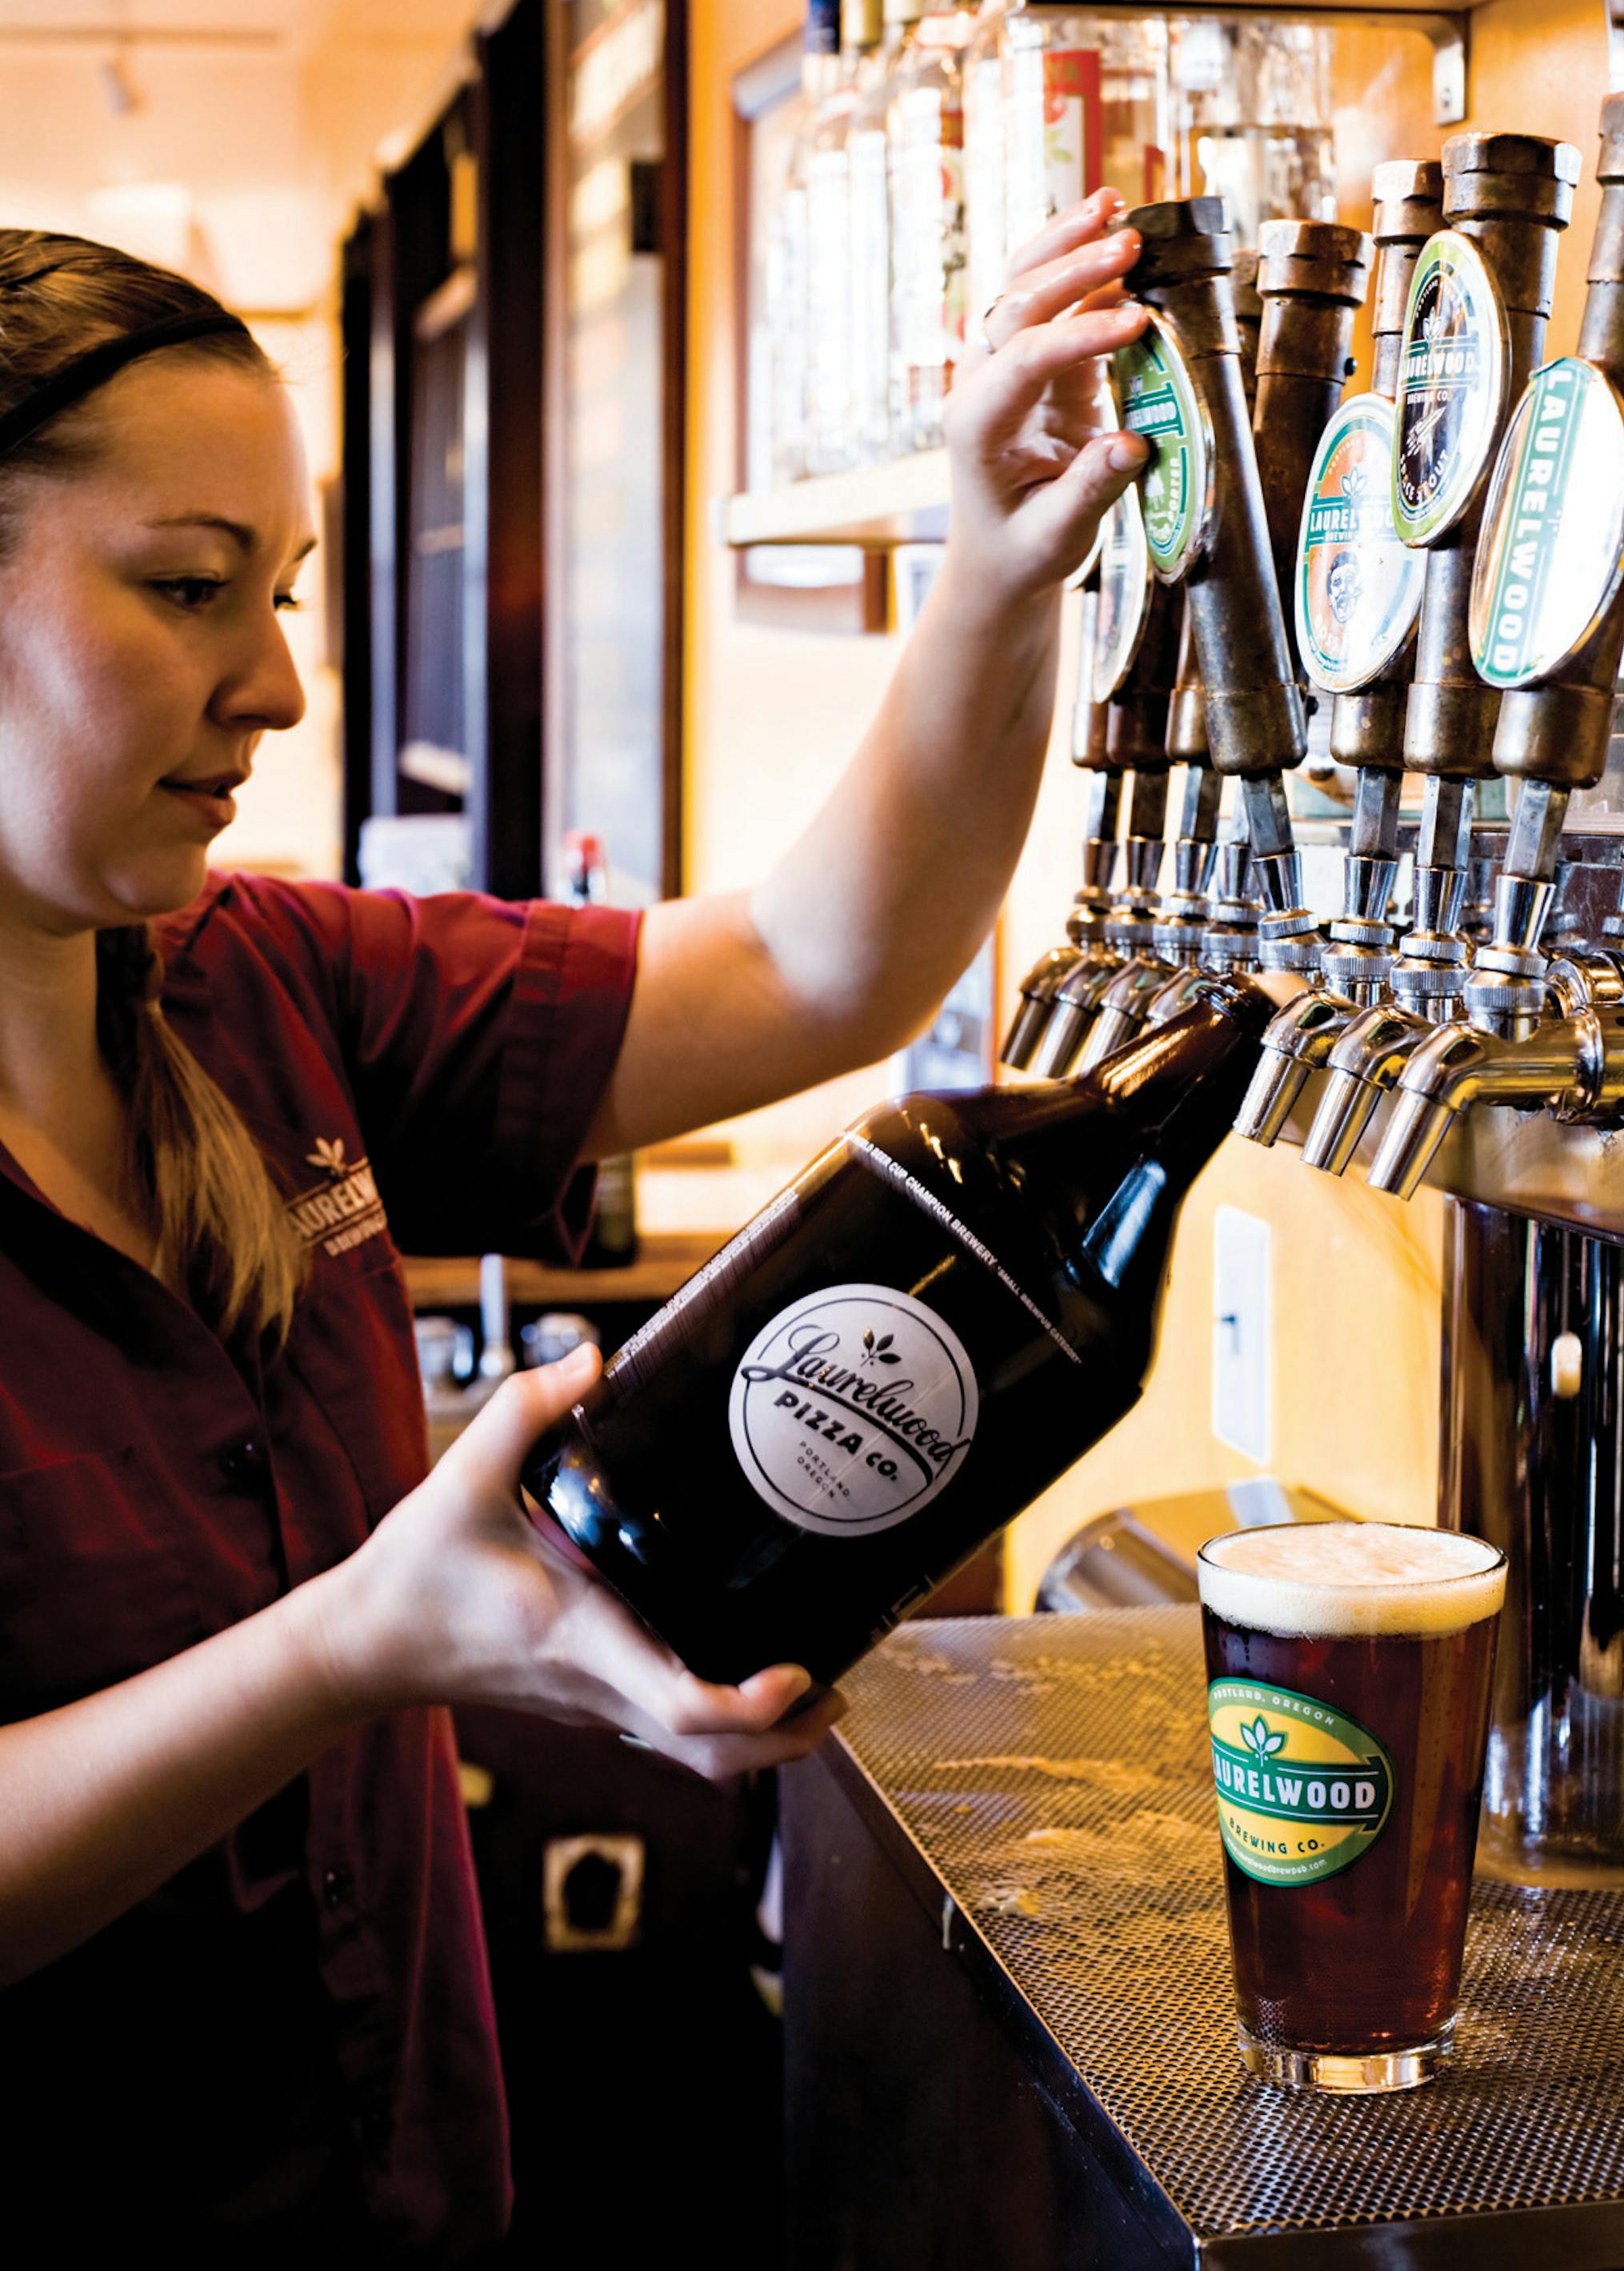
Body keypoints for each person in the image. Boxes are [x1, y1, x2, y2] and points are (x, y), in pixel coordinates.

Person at [0, 197, 1149, 2257]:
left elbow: (819, 963)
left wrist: (995, 564)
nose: (273, 681)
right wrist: (358, 1645)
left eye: (281, 591)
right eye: (186, 588)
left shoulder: (265, 987)